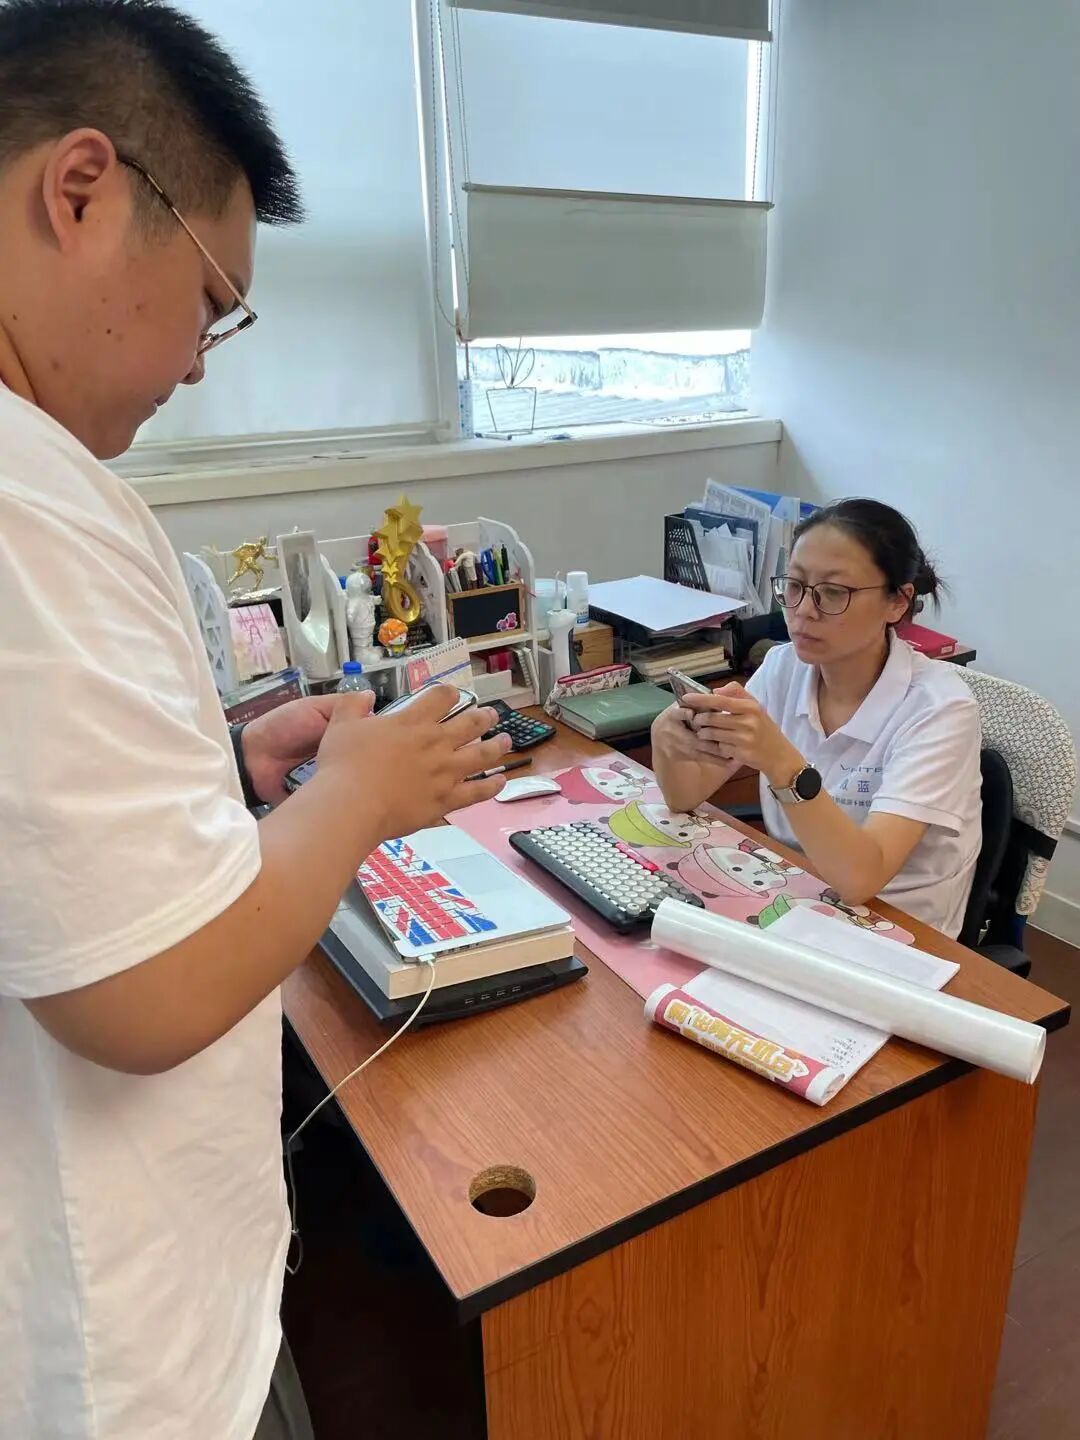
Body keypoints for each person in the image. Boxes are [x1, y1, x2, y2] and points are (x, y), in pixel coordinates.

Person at [0, 4, 512, 1438]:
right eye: (214, 299)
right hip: (115, 1352)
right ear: (82, 191)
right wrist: (357, 797)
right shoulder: (26, 510)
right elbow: (143, 995)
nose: (200, 362)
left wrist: (230, 769)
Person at [652, 498, 982, 938]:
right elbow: (685, 796)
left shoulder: (940, 710)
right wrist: (667, 738)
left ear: (897, 602)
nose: (804, 610)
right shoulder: (783, 667)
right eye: (795, 585)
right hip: (790, 897)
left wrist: (781, 763)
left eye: (833, 593)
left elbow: (860, 881)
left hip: (897, 935)